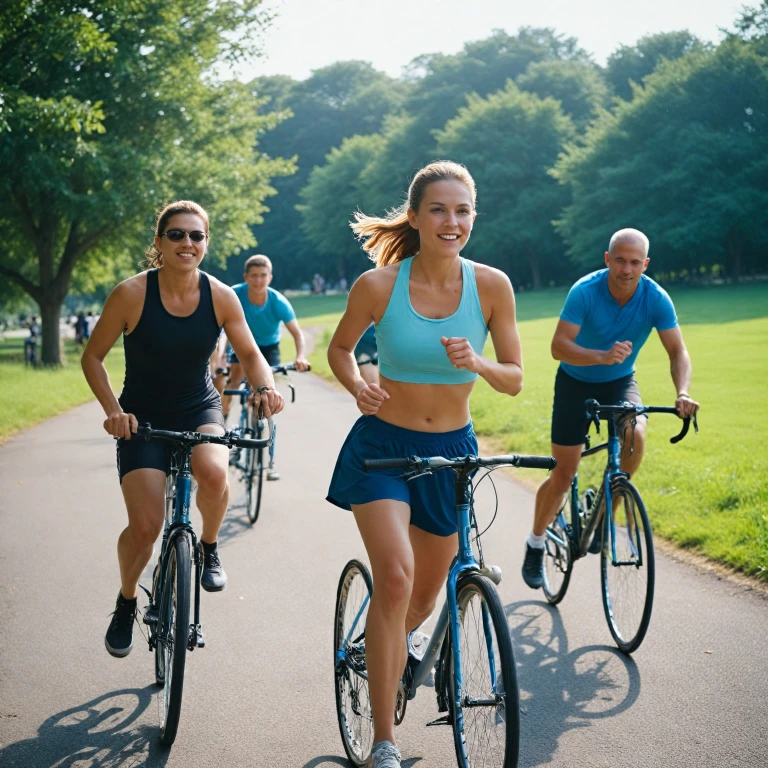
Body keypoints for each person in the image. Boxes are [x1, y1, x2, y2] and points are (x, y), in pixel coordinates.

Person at [326, 161, 523, 768]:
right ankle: (384, 739)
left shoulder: (491, 286)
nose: (452, 221)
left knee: (425, 594)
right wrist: (358, 382)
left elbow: (514, 378)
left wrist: (479, 363)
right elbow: (339, 348)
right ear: (415, 216)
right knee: (398, 576)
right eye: (438, 210)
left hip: (452, 455)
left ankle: (383, 645)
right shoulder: (379, 286)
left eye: (462, 211)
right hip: (383, 450)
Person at [81, 200, 284, 659]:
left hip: (198, 407)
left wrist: (266, 387)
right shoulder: (131, 294)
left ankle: (208, 546)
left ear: (206, 243)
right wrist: (114, 410)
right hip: (141, 419)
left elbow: (250, 354)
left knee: (214, 474)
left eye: (196, 236)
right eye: (176, 234)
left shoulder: (220, 296)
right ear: (159, 242)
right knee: (146, 526)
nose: (187, 243)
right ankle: (127, 598)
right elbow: (92, 357)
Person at [521, 228, 700, 589]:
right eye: (620, 260)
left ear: (645, 264)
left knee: (635, 433)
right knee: (563, 474)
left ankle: (606, 518)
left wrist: (682, 391)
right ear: (607, 259)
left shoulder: (655, 298)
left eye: (635, 262)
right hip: (575, 382)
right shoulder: (585, 291)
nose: (627, 269)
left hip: (620, 381)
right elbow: (559, 346)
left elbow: (677, 351)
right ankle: (536, 542)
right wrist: (601, 356)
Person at [214, 254, 310, 481]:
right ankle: (221, 424)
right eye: (254, 276)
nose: (258, 281)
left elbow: (297, 333)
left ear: (270, 277)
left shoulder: (277, 301)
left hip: (268, 348)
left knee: (267, 398)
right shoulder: (235, 294)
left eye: (263, 276)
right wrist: (219, 358)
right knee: (233, 381)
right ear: (246, 277)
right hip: (240, 344)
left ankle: (270, 462)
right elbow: (222, 333)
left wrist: (301, 356)